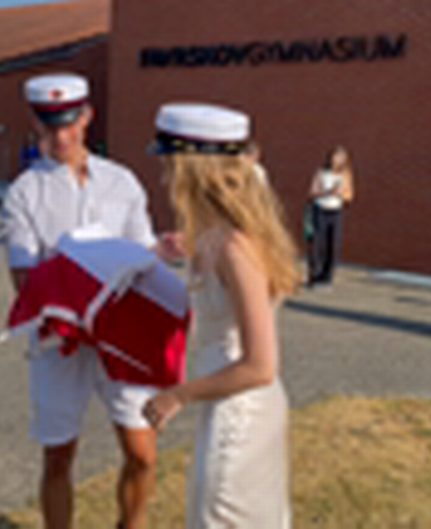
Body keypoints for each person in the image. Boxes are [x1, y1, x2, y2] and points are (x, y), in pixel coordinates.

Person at [1, 73, 182, 529]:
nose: (60, 136)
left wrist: (161, 250)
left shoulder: (122, 182)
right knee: (59, 456)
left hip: (121, 334)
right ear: (35, 122)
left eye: (68, 123)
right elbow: (25, 280)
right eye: (49, 126)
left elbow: (142, 254)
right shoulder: (23, 193)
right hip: (60, 339)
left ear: (86, 116)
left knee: (142, 453)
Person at [142, 103, 298, 528]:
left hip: (239, 411)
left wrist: (178, 396)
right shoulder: (217, 237)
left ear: (195, 172)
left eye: (171, 168)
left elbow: (260, 366)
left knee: (222, 515)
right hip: (229, 404)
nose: (165, 179)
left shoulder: (235, 248)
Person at [306, 146, 354, 289]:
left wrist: (341, 194)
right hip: (320, 209)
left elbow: (350, 196)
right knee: (318, 244)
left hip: (335, 211)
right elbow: (312, 192)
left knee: (332, 244)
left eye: (340, 158)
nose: (337, 160)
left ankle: (327, 277)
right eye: (335, 157)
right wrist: (327, 192)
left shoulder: (345, 175)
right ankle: (315, 276)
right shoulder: (321, 173)